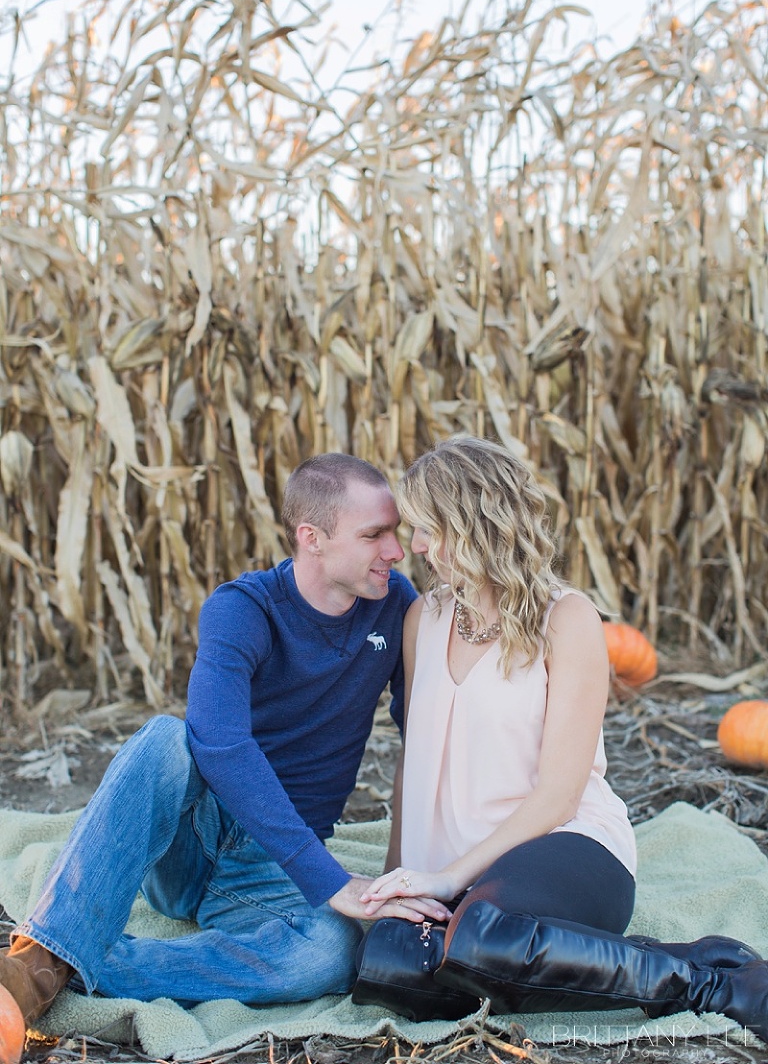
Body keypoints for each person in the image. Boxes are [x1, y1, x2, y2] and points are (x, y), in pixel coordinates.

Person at [0, 453, 451, 1064]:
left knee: (329, 952)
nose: (397, 551)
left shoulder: (395, 607)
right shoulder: (244, 608)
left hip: (268, 874)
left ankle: (84, 961)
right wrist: (331, 879)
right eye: (374, 535)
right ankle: (33, 967)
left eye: (395, 532)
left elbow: (420, 737)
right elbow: (219, 743)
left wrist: (434, 870)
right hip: (193, 843)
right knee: (165, 739)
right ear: (311, 539)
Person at [352, 436, 768, 1043]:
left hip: (565, 848)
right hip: (458, 871)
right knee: (388, 966)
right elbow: (415, 756)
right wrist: (398, 878)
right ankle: (661, 959)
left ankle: (714, 981)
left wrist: (447, 882)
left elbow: (559, 796)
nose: (414, 546)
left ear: (477, 524)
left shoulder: (566, 620)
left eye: (428, 528)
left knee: (479, 937)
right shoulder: (425, 617)